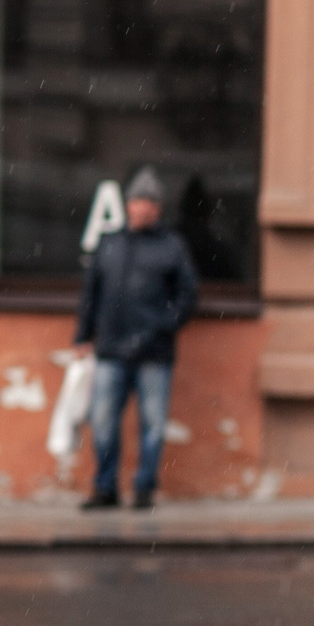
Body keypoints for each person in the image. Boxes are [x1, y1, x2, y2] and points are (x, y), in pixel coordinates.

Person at [75, 166, 200, 511]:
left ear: (158, 209)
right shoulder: (110, 243)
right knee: (102, 420)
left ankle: (144, 488)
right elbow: (92, 293)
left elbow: (188, 295)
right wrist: (83, 335)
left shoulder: (172, 246)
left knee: (153, 424)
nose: (142, 208)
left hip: (154, 352)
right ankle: (105, 487)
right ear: (127, 205)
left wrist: (164, 325)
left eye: (149, 203)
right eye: (137, 201)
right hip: (110, 349)